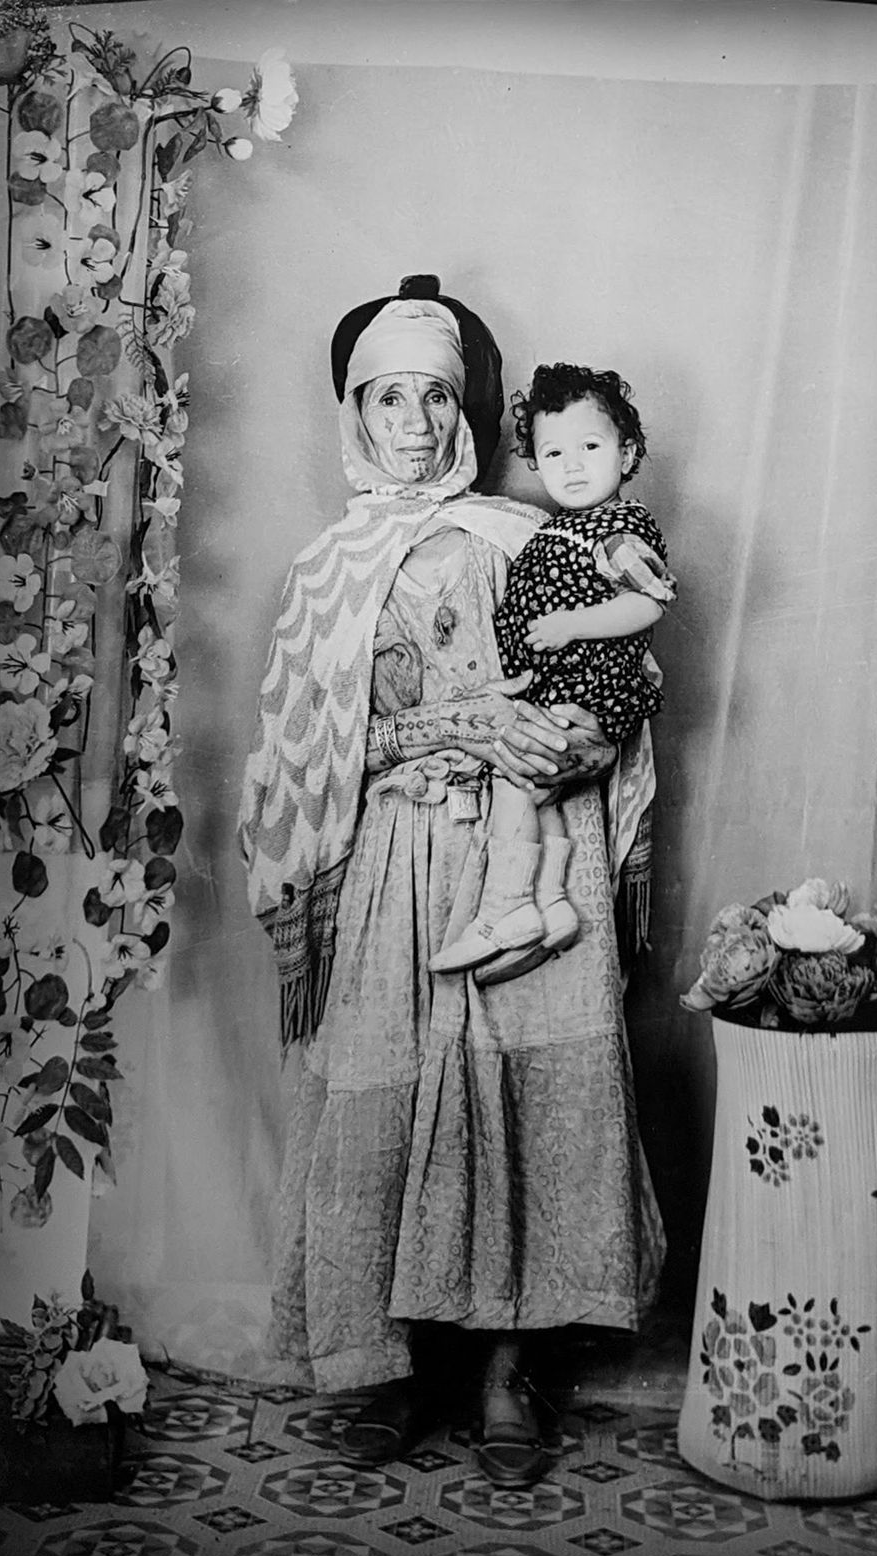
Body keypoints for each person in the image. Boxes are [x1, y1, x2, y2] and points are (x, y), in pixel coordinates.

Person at [239, 275, 664, 1489]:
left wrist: (565, 743)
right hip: (398, 859)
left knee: (531, 1104)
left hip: (534, 849)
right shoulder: (325, 574)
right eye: (388, 399)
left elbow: (618, 701)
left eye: (435, 396)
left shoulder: (527, 536)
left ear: (465, 408)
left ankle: (507, 1375)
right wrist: (455, 727)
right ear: (354, 415)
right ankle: (398, 1370)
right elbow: (313, 753)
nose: (415, 422)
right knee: (391, 1091)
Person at [430, 363, 675, 983]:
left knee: (518, 776)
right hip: (556, 686)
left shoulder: (617, 530)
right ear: (535, 464)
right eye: (553, 452)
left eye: (590, 447)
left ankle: (505, 909)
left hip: (587, 688)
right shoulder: (559, 528)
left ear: (629, 453)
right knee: (541, 790)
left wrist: (570, 626)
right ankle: (553, 906)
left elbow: (650, 601)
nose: (571, 465)